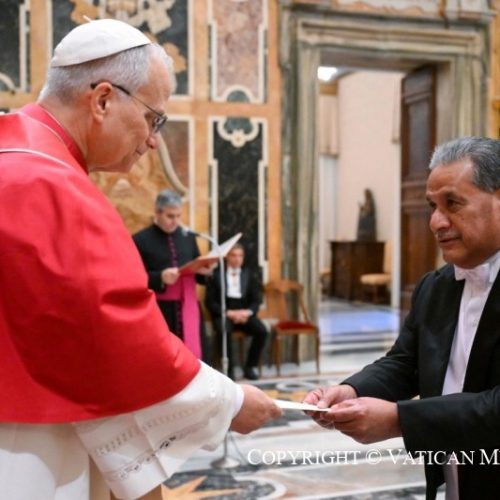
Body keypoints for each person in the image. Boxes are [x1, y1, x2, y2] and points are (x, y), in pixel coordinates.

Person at [0, 18, 282, 500]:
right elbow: (115, 330)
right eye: (154, 119)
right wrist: (230, 402)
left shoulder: (16, 155)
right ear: (103, 100)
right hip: (26, 448)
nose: (154, 141)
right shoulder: (50, 184)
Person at [304, 136, 500, 500]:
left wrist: (399, 420)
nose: (436, 222)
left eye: (453, 204)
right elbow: (405, 362)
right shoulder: (435, 287)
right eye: (432, 206)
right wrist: (353, 390)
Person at [133, 189, 213, 363]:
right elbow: (132, 278)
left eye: (178, 216)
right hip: (160, 310)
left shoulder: (188, 237)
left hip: (189, 306)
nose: (175, 221)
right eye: (170, 216)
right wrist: (160, 277)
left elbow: (197, 271)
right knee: (164, 358)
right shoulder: (140, 240)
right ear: (157, 211)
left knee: (195, 359)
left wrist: (205, 272)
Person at [205, 243, 268, 380]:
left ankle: (250, 367)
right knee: (223, 330)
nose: (237, 259)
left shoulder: (249, 274)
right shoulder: (216, 275)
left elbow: (256, 299)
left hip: (244, 313)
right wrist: (227, 313)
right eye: (233, 255)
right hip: (225, 313)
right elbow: (210, 302)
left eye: (240, 256)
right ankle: (229, 370)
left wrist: (247, 313)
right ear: (227, 257)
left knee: (262, 331)